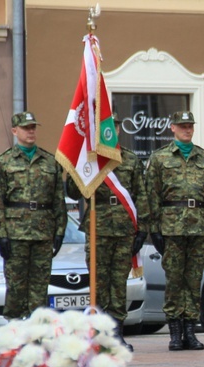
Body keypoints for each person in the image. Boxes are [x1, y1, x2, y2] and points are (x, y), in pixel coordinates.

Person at [65, 112, 149, 351]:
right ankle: (98, 334)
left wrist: (143, 229)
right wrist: (77, 165)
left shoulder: (130, 159)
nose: (110, 132)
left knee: (118, 284)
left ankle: (117, 333)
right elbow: (73, 191)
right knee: (98, 283)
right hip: (98, 227)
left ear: (119, 130)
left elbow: (141, 195)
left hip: (124, 228)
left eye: (114, 127)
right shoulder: (90, 160)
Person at [146, 111, 204, 351]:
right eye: (182, 126)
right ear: (173, 128)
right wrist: (154, 229)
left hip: (198, 226)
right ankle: (175, 331)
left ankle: (191, 329)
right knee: (175, 280)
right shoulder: (159, 158)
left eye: (190, 126)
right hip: (171, 227)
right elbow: (152, 195)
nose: (187, 129)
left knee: (193, 280)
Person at [0, 111, 67, 320]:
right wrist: (1, 235)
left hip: (43, 233)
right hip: (16, 234)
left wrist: (60, 231)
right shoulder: (5, 161)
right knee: (15, 286)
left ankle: (36, 334)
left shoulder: (50, 161)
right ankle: (15, 331)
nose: (30, 131)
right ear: (15, 131)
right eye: (26, 128)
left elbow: (58, 200)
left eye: (33, 127)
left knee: (40, 287)